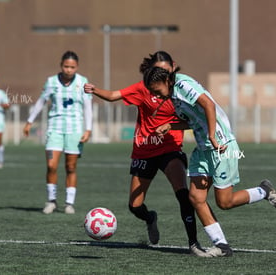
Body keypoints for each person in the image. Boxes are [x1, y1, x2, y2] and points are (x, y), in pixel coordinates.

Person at [144, 66, 276, 257]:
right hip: (203, 150)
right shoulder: (174, 97)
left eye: (156, 90)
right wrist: (171, 125)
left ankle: (264, 191)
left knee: (224, 202)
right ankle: (222, 246)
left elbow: (208, 105)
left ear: (167, 81)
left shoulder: (183, 85)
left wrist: (212, 135)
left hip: (222, 146)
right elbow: (193, 121)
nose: (156, 96)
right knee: (195, 197)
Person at [84, 51, 209, 257]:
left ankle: (193, 243)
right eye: (156, 69)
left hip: (170, 148)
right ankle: (150, 218)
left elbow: (196, 116)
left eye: (164, 69)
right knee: (134, 206)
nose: (160, 73)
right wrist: (95, 90)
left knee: (182, 195)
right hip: (144, 150)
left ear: (173, 67)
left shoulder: (182, 90)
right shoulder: (144, 87)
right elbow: (115, 95)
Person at [23, 51, 92, 215]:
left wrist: (88, 129)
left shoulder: (83, 82)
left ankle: (69, 203)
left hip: (75, 130)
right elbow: (41, 102)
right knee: (51, 165)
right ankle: (51, 201)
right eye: (66, 66)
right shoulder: (51, 82)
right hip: (55, 128)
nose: (69, 70)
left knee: (71, 167)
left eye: (72, 67)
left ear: (77, 67)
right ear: (61, 65)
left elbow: (88, 107)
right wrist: (29, 121)